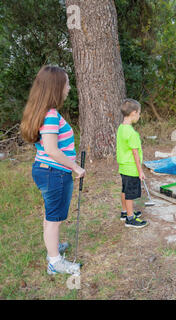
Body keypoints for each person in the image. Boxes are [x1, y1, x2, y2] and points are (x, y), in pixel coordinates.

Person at [20, 65, 85, 275]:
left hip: (46, 170)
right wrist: (75, 167)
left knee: (51, 216)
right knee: (54, 219)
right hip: (54, 173)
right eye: (66, 83)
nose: (69, 88)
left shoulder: (42, 111)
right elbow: (51, 149)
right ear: (56, 87)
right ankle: (55, 262)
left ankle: (52, 249)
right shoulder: (50, 115)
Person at [116, 98, 148, 228]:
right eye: (139, 113)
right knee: (130, 194)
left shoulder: (121, 128)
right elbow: (135, 153)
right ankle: (130, 218)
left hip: (123, 167)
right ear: (133, 113)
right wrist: (140, 171)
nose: (139, 116)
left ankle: (125, 212)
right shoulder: (132, 133)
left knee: (124, 190)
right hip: (131, 168)